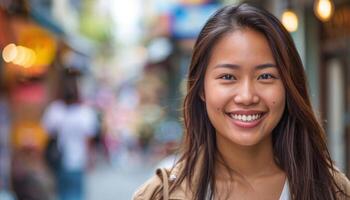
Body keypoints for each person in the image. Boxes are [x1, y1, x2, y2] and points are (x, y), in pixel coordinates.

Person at [133, 3, 350, 200]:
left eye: (266, 76)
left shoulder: (334, 190)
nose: (247, 96)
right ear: (201, 89)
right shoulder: (160, 195)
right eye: (228, 77)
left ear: (288, 86)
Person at [42, 72, 97, 200]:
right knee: (77, 194)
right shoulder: (85, 113)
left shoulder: (55, 110)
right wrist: (90, 158)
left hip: (59, 159)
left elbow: (48, 132)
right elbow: (88, 139)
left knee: (62, 193)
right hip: (78, 160)